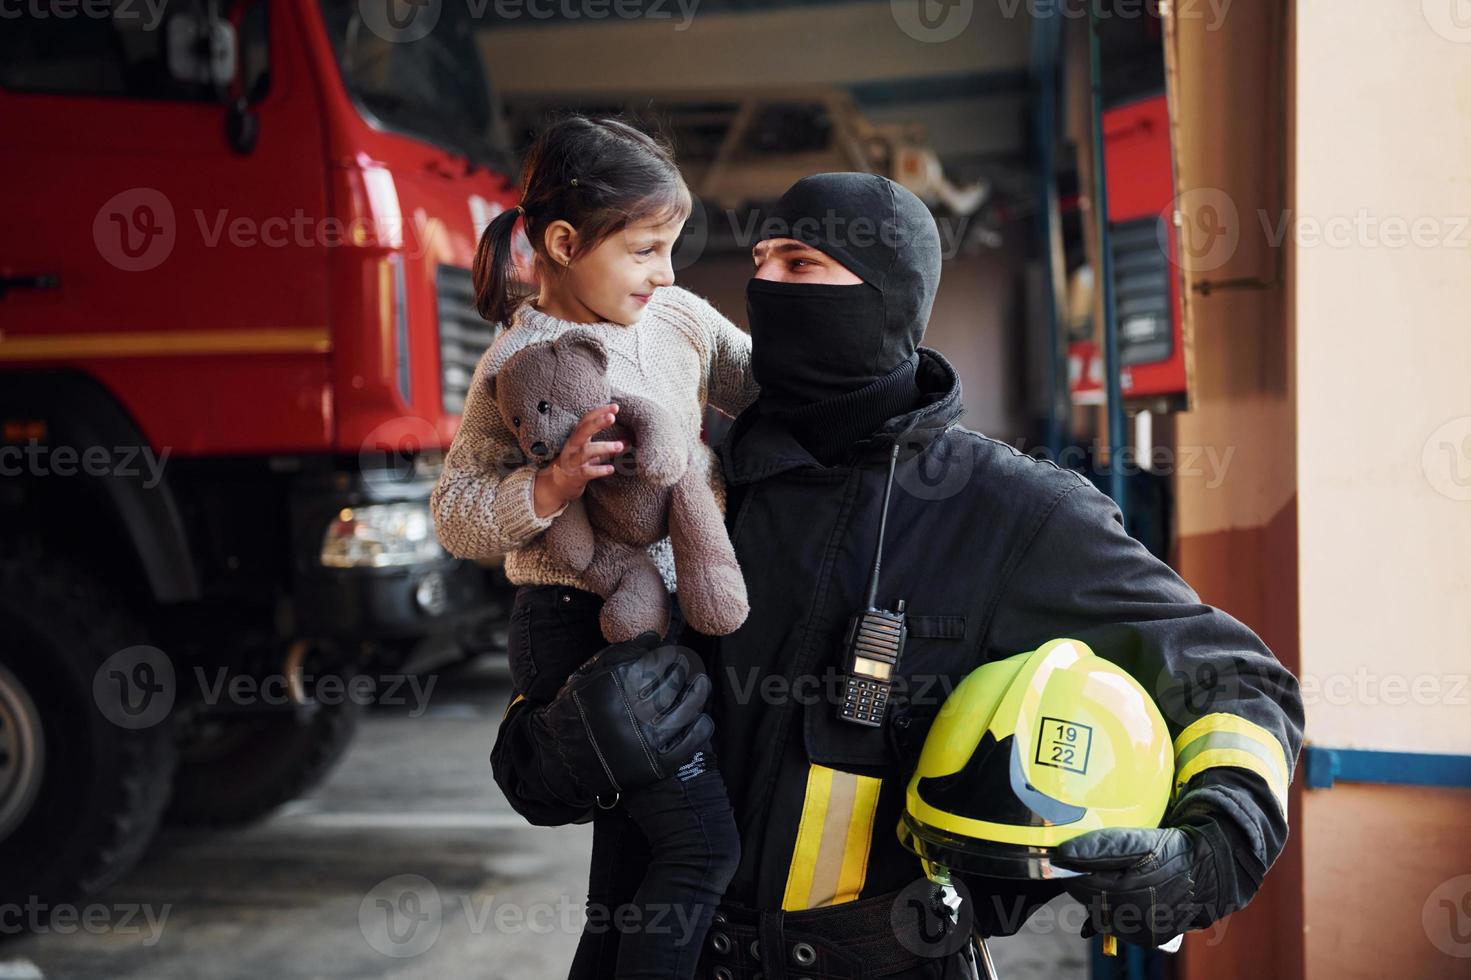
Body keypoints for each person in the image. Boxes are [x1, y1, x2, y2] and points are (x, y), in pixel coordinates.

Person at [490, 172, 1306, 978]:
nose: (763, 284)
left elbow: (1233, 680)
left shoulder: (1007, 511)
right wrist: (572, 745)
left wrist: (1209, 849)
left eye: (800, 264)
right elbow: (529, 765)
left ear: (885, 296)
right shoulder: (672, 482)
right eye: (762, 259)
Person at [430, 114, 758, 980]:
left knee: (629, 875)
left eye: (670, 247)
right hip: (577, 630)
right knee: (699, 854)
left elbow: (764, 380)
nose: (666, 271)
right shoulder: (517, 364)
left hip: (664, 625)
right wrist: (549, 488)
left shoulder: (679, 317)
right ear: (566, 243)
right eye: (646, 250)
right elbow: (454, 512)